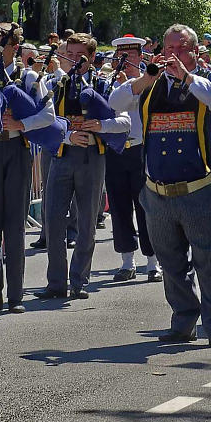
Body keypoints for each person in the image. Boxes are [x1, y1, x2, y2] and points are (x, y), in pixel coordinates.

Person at [110, 23, 211, 348]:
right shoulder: (151, 84)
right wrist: (142, 80)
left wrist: (187, 78)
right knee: (171, 264)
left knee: (208, 260)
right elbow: (114, 101)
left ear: (195, 52)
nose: (173, 55)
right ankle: (183, 323)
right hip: (158, 193)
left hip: (200, 190)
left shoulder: (210, 81)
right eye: (168, 49)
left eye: (180, 49)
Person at [39, 31, 128, 302]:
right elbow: (43, 120)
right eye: (70, 54)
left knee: (88, 222)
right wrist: (67, 135)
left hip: (92, 158)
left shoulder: (104, 86)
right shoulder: (55, 85)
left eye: (80, 56)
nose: (74, 60)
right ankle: (56, 282)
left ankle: (79, 280)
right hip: (61, 156)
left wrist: (101, 127)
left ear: (91, 58)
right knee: (53, 220)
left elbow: (124, 122)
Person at [0, 23, 53, 313]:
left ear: (14, 48)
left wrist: (22, 125)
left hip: (17, 151)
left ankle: (16, 295)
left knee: (15, 225)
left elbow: (48, 114)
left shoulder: (30, 77)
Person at [105, 35, 158, 283]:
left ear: (140, 55)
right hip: (116, 149)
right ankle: (127, 261)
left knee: (146, 206)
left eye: (131, 56)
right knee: (119, 206)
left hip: (142, 147)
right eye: (121, 56)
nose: (125, 61)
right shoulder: (109, 81)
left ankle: (153, 262)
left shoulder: (151, 79)